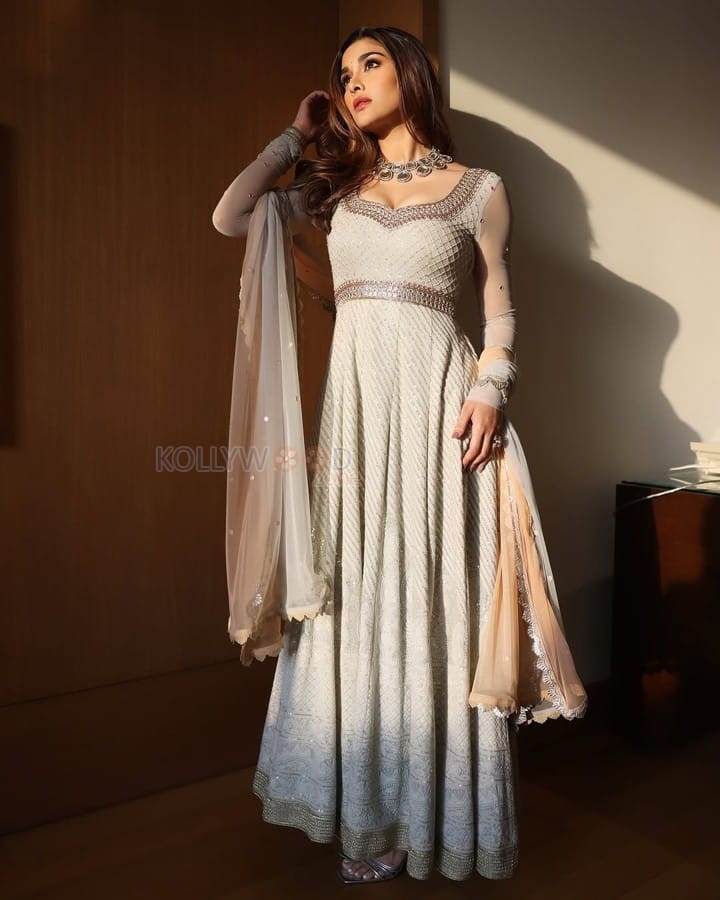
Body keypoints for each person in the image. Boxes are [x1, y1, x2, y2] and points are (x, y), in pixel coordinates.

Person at [212, 24, 587, 885]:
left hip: (439, 417)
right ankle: (366, 813)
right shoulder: (334, 188)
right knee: (355, 596)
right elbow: (230, 215)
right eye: (343, 73)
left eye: (370, 64)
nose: (353, 82)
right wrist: (295, 135)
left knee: (428, 597)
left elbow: (499, 310)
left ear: (412, 73)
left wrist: (491, 388)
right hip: (355, 421)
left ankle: (429, 817)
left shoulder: (479, 190)